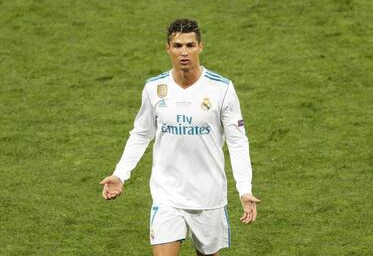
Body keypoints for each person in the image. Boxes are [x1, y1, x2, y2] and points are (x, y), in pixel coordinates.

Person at [100, 18, 260, 256]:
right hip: (168, 195)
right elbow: (141, 134)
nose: (184, 52)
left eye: (190, 45)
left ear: (200, 47)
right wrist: (120, 174)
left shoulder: (222, 89)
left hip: (208, 197)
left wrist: (244, 189)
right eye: (177, 46)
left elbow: (237, 142)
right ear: (168, 49)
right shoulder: (154, 88)